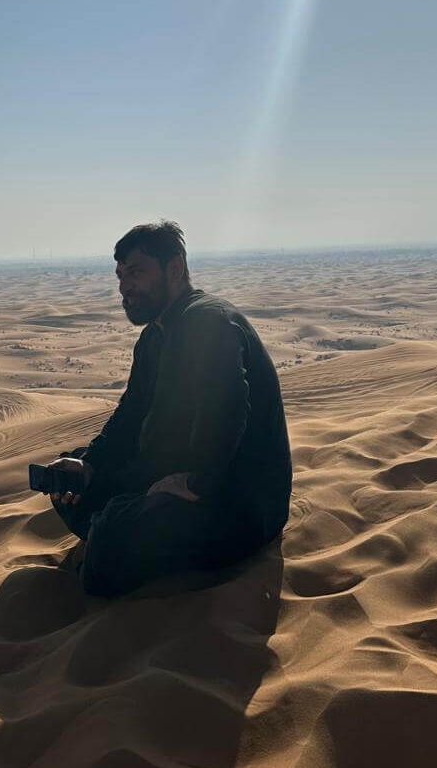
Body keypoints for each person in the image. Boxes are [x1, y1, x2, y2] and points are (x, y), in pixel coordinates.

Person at [38, 220, 292, 597]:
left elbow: (228, 411)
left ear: (175, 269)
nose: (125, 288)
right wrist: (91, 461)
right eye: (120, 275)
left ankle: (119, 529)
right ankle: (123, 520)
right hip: (179, 475)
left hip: (238, 503)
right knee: (69, 478)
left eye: (136, 273)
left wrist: (195, 481)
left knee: (105, 556)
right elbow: (131, 413)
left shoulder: (206, 321)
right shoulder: (155, 335)